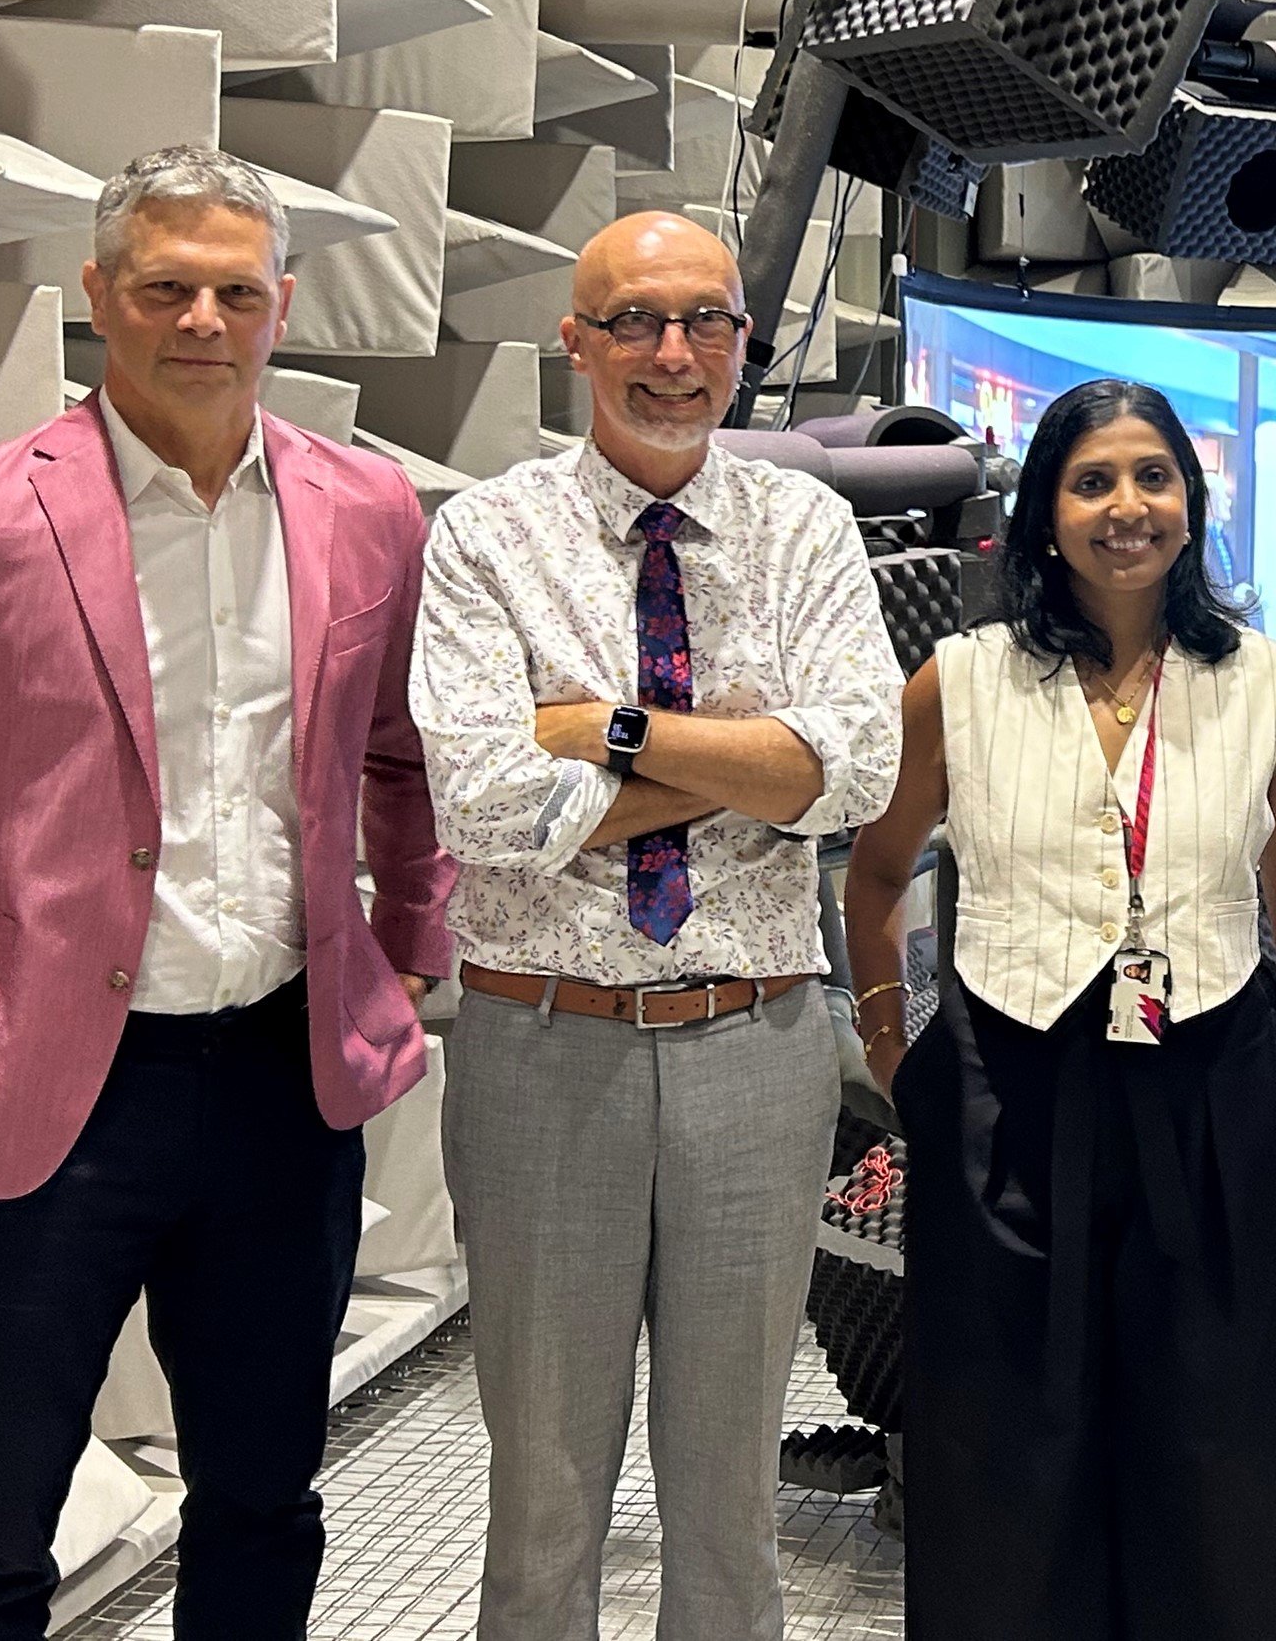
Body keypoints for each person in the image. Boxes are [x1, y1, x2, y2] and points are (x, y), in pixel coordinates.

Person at [0, 147, 454, 1640]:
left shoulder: (368, 510)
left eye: (235, 291)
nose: (201, 319)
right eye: (165, 288)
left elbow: (403, 751)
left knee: (264, 1501)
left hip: (282, 1080)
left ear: (284, 307)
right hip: (45, 1093)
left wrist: (406, 952)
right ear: (97, 298)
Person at [409, 210, 901, 1641]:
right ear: (575, 342)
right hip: (540, 1048)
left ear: (746, 344)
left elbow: (852, 773)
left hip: (756, 1045)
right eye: (634, 320)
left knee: (729, 1492)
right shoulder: (488, 538)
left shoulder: (805, 525)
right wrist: (743, 755)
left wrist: (608, 734)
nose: (672, 354)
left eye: (707, 322)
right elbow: (487, 801)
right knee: (546, 1491)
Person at [844, 377, 1276, 1641]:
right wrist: (892, 1044)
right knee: (1008, 1435)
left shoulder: (1267, 682)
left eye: (1154, 477)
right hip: (1008, 1093)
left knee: (1222, 1433)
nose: (1128, 507)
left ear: (1191, 499)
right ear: (1045, 514)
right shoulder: (957, 683)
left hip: (1215, 1089)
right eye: (1092, 482)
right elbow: (878, 872)